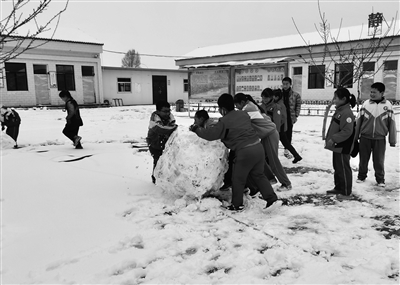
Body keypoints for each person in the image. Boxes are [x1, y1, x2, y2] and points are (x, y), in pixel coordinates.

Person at [190, 93, 280, 212]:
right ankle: (272, 199)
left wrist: (196, 129)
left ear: (222, 109)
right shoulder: (243, 114)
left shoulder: (224, 121)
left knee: (237, 179)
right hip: (258, 148)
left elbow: (211, 135)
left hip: (244, 152)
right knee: (259, 175)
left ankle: (237, 205)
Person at [234, 93, 292, 191]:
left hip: (269, 134)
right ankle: (270, 178)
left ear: (242, 102)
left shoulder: (247, 109)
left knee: (273, 161)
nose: (236, 107)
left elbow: (238, 121)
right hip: (267, 134)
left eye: (237, 105)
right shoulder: (250, 106)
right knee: (260, 158)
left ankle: (286, 184)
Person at [355, 82, 397, 188]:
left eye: (374, 92)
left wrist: (392, 140)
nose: (372, 94)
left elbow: (392, 124)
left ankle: (380, 179)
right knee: (363, 159)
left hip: (380, 138)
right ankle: (361, 176)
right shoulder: (366, 104)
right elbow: (359, 121)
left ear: (382, 93)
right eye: (371, 92)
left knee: (379, 160)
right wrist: (355, 137)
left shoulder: (387, 106)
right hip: (365, 137)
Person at [325, 88, 356, 199]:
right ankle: (339, 187)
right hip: (337, 146)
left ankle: (346, 192)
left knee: (343, 168)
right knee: (337, 167)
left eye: (335, 98)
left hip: (343, 146)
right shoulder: (340, 110)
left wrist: (334, 139)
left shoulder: (346, 113)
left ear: (343, 99)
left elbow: (347, 131)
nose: (334, 100)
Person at [261, 88, 302, 163]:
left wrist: (277, 131)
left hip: (277, 129)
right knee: (285, 143)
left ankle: (272, 163)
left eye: (266, 97)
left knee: (283, 144)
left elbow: (280, 119)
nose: (264, 99)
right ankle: (296, 155)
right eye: (263, 97)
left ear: (272, 97)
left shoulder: (278, 106)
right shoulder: (263, 106)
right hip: (270, 130)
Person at [146, 101, 178, 184]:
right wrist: (173, 128)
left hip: (164, 142)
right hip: (154, 143)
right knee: (157, 160)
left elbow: (172, 127)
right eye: (165, 111)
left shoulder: (169, 117)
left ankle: (164, 177)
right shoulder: (154, 119)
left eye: (169, 111)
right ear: (158, 111)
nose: (167, 113)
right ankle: (155, 178)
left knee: (166, 160)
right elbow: (161, 129)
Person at [281, 77, 302, 159]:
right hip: (281, 117)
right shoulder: (280, 94)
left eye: (287, 84)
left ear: (290, 84)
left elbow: (298, 105)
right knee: (281, 133)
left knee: (288, 133)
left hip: (290, 117)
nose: (285, 86)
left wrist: (296, 115)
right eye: (283, 84)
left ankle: (286, 150)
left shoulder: (295, 95)